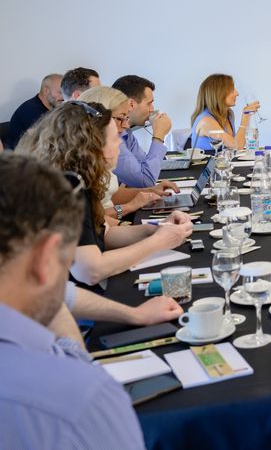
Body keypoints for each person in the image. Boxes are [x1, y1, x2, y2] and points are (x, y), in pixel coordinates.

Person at [0, 153, 145, 450]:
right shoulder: (82, 402)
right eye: (66, 261)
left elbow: (63, 294)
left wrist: (134, 315)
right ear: (45, 257)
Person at [17, 101, 192, 287]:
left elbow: (105, 234)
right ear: (93, 145)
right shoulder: (69, 187)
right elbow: (91, 271)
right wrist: (158, 242)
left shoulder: (79, 179)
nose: (120, 142)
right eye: (115, 137)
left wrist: (158, 229)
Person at [79, 85, 174, 220]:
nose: (126, 125)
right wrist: (130, 206)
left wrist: (150, 191)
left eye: (126, 117)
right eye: (121, 118)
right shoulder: (80, 167)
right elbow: (94, 219)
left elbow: (111, 194)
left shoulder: (101, 150)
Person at [110, 75, 173, 187]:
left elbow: (144, 165)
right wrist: (159, 136)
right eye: (149, 103)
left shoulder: (127, 133)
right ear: (131, 104)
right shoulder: (113, 137)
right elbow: (145, 181)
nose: (152, 109)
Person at [190, 74, 260, 151]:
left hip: (223, 158)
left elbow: (235, 146)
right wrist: (246, 116)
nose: (237, 93)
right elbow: (237, 146)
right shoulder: (206, 122)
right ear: (219, 94)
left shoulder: (229, 114)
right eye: (232, 90)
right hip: (207, 159)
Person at [3, 73, 62, 149]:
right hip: (19, 154)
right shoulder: (29, 111)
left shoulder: (53, 107)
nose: (63, 97)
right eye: (60, 92)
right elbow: (45, 144)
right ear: (46, 91)